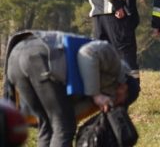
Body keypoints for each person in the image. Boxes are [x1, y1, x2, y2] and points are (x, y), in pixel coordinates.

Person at [4, 30, 137, 146]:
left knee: (47, 126)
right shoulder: (113, 59)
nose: (117, 104)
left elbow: (69, 111)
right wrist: (95, 94)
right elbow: (87, 53)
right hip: (41, 58)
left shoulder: (105, 81)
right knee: (64, 126)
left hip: (16, 57)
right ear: (124, 87)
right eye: (122, 101)